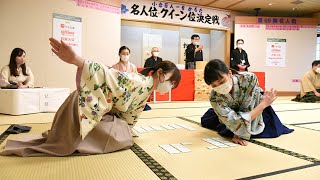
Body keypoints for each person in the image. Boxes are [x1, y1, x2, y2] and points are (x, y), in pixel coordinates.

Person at [0, 38, 181, 157]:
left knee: (123, 133)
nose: (170, 87)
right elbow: (109, 74)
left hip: (95, 108)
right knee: (121, 138)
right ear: (159, 73)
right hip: (82, 107)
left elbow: (128, 118)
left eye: (173, 85)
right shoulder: (140, 82)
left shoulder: (145, 88)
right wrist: (78, 60)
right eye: (171, 82)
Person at [201, 59, 293, 146]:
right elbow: (233, 122)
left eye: (222, 82)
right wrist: (237, 128)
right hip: (234, 115)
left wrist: (263, 104)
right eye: (214, 85)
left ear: (230, 73)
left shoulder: (249, 78)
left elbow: (249, 107)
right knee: (207, 120)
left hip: (255, 109)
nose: (219, 87)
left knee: (271, 130)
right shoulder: (214, 97)